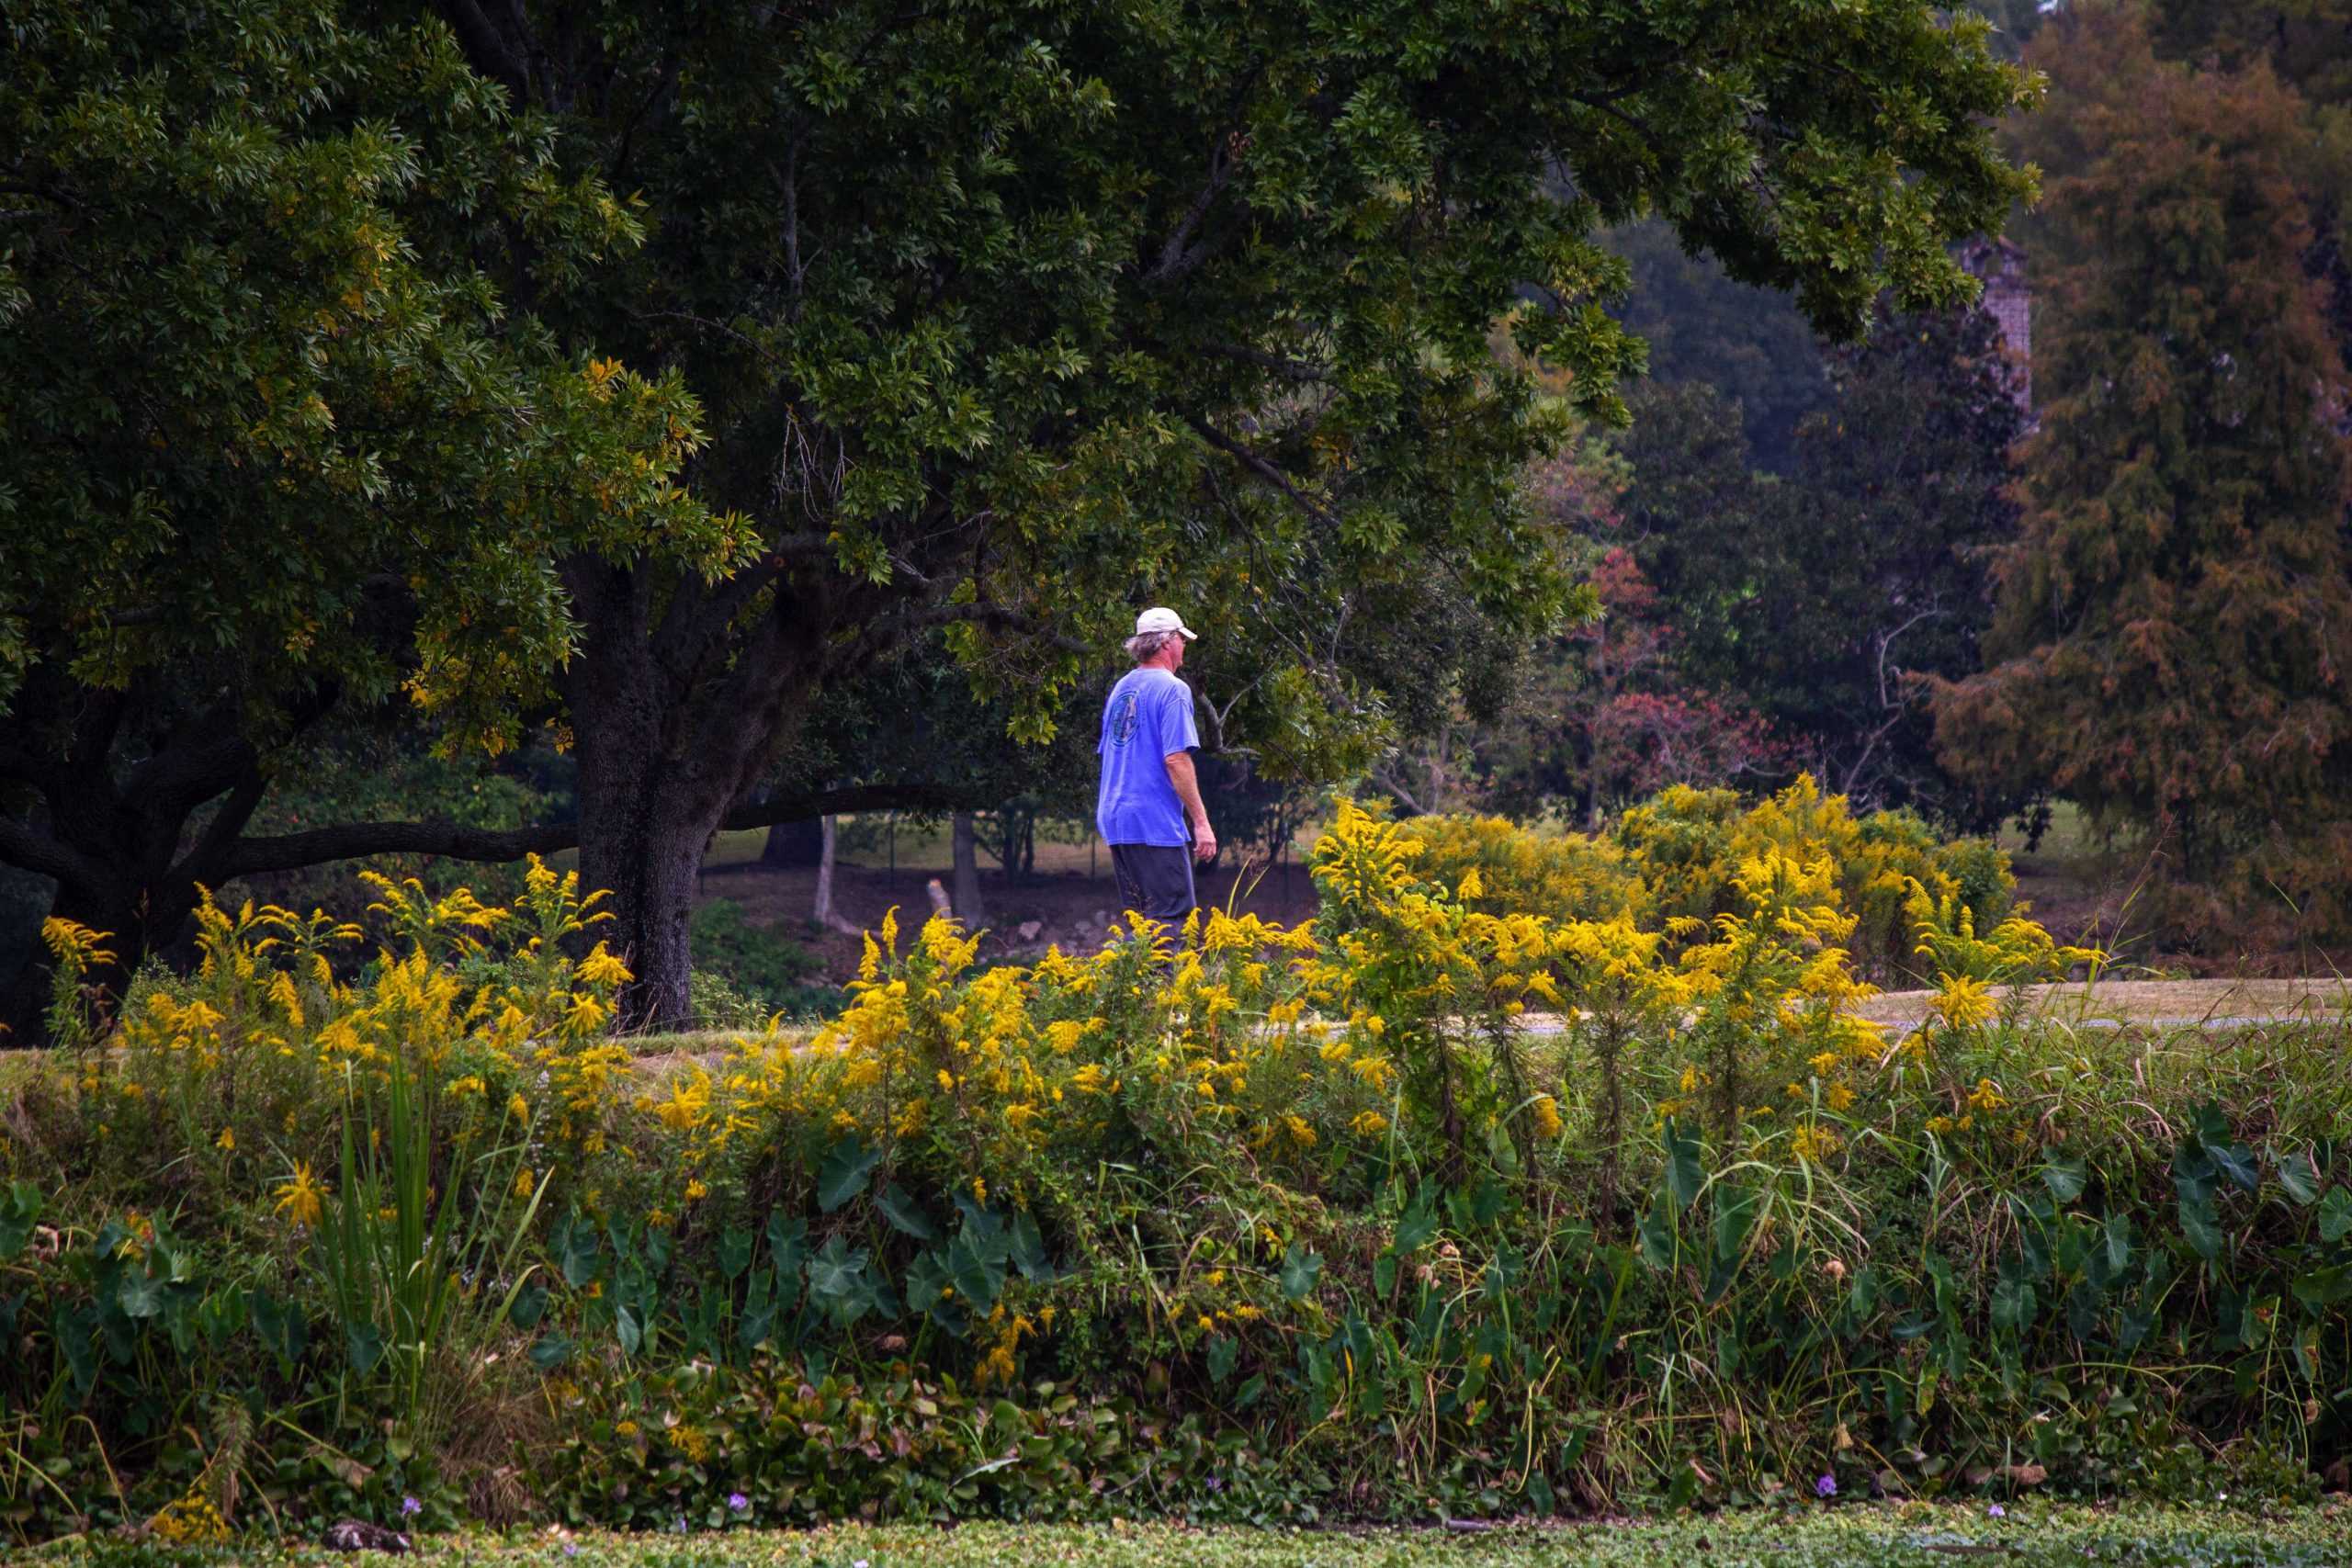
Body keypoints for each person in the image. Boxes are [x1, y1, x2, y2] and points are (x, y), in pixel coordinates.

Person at [1097, 606, 1216, 922]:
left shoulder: (1121, 690)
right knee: (1172, 921)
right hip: (1154, 824)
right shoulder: (1173, 690)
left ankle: (1139, 974)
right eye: (1181, 639)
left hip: (1117, 821)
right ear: (1167, 642)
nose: (1184, 647)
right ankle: (1166, 975)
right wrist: (1201, 823)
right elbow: (1176, 759)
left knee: (1141, 923)